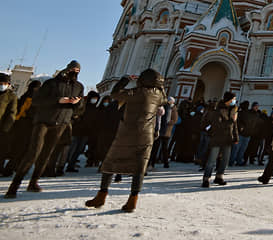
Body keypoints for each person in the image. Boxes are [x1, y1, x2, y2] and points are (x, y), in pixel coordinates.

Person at [84, 69, 166, 213]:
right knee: (139, 169)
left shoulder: (135, 93)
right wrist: (161, 86)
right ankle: (132, 200)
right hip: (146, 136)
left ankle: (101, 195)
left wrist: (125, 79)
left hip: (128, 133)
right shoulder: (158, 95)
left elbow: (115, 93)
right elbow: (165, 99)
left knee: (110, 163)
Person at [5, 60, 83, 198]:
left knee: (47, 154)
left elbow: (80, 109)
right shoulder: (51, 83)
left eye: (77, 71)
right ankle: (14, 185)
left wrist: (76, 103)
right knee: (33, 152)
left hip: (61, 123)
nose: (74, 73)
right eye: (72, 70)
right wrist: (58, 100)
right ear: (66, 69)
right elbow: (37, 101)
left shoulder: (78, 87)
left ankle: (34, 181)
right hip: (44, 121)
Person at [201, 92, 238, 188]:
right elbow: (217, 125)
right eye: (233, 99)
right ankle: (206, 178)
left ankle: (219, 176)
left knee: (225, 159)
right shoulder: (219, 110)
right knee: (212, 160)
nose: (234, 101)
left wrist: (236, 137)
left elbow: (234, 126)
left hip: (228, 138)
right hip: (217, 137)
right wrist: (231, 121)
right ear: (228, 100)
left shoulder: (233, 109)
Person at [150, 96, 176, 168]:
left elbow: (174, 119)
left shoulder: (170, 108)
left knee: (160, 148)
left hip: (163, 130)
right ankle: (155, 162)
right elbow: (166, 120)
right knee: (159, 147)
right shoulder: (168, 108)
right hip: (163, 130)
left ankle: (159, 162)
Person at [0, 73, 16, 172]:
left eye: (5, 83)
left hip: (2, 128)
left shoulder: (11, 96)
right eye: (1, 83)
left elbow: (12, 113)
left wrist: (5, 129)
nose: (2, 85)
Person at [231, 100, 252, 166]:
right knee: (237, 148)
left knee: (240, 149)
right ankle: (233, 161)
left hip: (246, 133)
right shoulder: (241, 113)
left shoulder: (245, 113)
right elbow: (237, 122)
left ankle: (237, 160)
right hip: (241, 133)